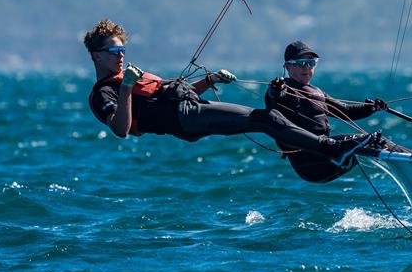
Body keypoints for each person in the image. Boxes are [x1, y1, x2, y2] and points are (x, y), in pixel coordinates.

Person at [83, 19, 374, 166]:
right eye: (113, 51)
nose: (121, 55)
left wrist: (209, 81)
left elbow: (161, 100)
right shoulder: (104, 92)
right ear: (97, 56)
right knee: (265, 119)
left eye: (123, 49)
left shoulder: (126, 77)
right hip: (186, 118)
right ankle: (329, 149)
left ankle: (323, 148)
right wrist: (125, 88)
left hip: (192, 108)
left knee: (265, 119)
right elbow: (121, 130)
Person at [264, 40, 388, 183]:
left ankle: (410, 158)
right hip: (309, 162)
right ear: (287, 67)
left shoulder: (317, 92)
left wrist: (371, 108)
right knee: (362, 141)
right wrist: (276, 89)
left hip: (327, 153)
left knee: (375, 141)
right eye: (300, 63)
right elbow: (276, 96)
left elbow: (345, 111)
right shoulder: (284, 88)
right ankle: (343, 156)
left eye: (311, 63)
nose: (307, 68)